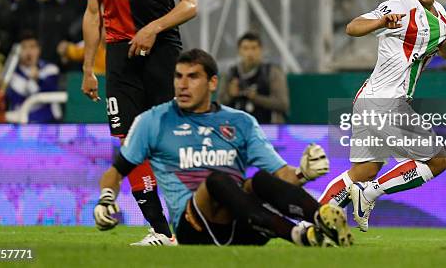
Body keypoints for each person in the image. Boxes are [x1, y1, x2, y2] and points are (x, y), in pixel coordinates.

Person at [93, 49, 352, 247]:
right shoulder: (153, 121)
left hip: (243, 222)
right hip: (192, 226)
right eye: (178, 77)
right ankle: (298, 234)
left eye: (193, 77)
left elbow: (281, 174)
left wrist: (303, 174)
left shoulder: (240, 122)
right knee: (218, 180)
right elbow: (116, 171)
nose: (182, 85)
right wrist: (106, 199)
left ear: (213, 83)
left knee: (260, 179)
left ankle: (322, 217)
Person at [81, 0, 197, 246]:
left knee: (169, 141)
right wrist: (88, 68)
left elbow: (190, 5)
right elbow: (92, 14)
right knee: (129, 143)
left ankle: (194, 222)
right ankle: (160, 231)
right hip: (118, 58)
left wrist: (152, 29)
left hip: (162, 52)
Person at [318, 0, 446, 232]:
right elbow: (352, 27)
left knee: (362, 172)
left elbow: (444, 52)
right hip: (385, 101)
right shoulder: (399, 6)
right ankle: (371, 193)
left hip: (368, 99)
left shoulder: (440, 14)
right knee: (436, 161)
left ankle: (312, 220)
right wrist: (381, 22)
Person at [218, 32, 289, 124]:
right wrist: (230, 95)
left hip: (267, 129)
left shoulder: (272, 72)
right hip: (238, 128)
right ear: (239, 51)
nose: (250, 53)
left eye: (254, 48)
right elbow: (219, 106)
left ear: (261, 50)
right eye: (246, 48)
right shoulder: (231, 73)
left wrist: (256, 98)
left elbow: (283, 104)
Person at [5, 32, 62, 123]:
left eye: (32, 47)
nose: (28, 51)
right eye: (24, 47)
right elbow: (17, 100)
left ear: (39, 50)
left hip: (50, 123)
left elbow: (50, 92)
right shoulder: (11, 75)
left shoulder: (51, 69)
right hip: (23, 125)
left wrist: (38, 79)